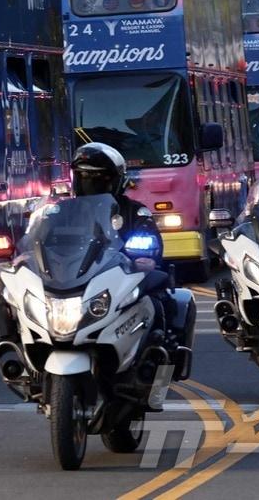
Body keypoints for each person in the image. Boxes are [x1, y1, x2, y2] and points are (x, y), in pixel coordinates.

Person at [69, 142, 191, 356]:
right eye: (83, 178)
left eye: (99, 179)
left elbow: (151, 241)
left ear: (116, 181)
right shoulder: (64, 214)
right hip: (78, 282)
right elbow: (43, 241)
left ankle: (161, 369)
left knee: (161, 304)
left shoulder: (135, 212)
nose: (90, 184)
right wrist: (30, 256)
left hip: (122, 279)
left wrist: (145, 256)